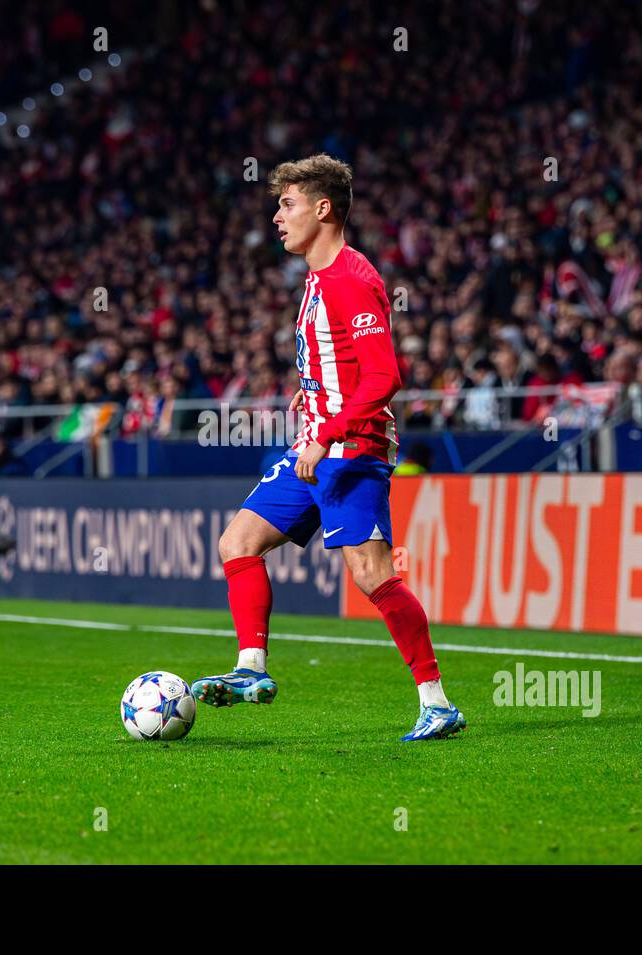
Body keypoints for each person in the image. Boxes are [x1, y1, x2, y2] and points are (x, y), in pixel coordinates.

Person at [191, 154, 465, 742]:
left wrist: (330, 429)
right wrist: (311, 395)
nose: (276, 217)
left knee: (371, 575)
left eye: (286, 205)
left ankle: (436, 703)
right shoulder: (318, 277)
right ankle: (251, 672)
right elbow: (343, 367)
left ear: (322, 209)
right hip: (317, 443)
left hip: (351, 451)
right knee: (238, 542)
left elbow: (385, 375)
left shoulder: (350, 277)